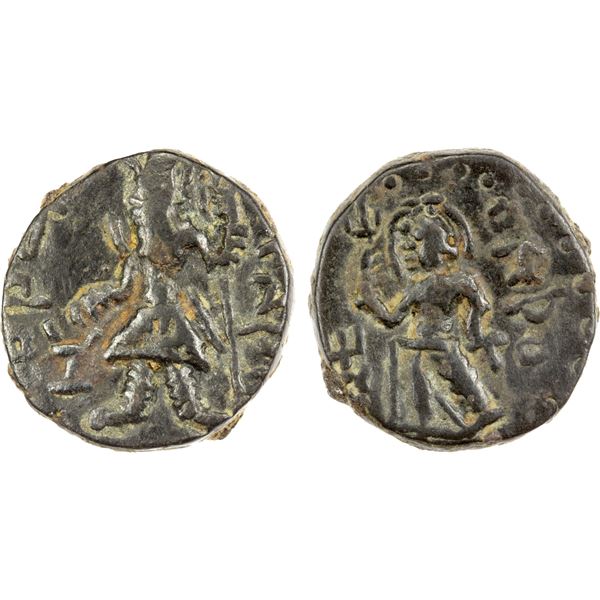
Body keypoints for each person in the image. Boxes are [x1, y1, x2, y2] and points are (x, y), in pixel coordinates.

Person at [359, 193, 507, 431]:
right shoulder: (456, 282)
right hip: (436, 347)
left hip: (437, 347)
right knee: (452, 377)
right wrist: (475, 333)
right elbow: (481, 305)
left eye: (418, 244)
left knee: (454, 376)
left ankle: (471, 416)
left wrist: (371, 301)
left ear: (430, 247)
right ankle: (470, 416)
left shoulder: (426, 287)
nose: (412, 250)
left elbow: (392, 318)